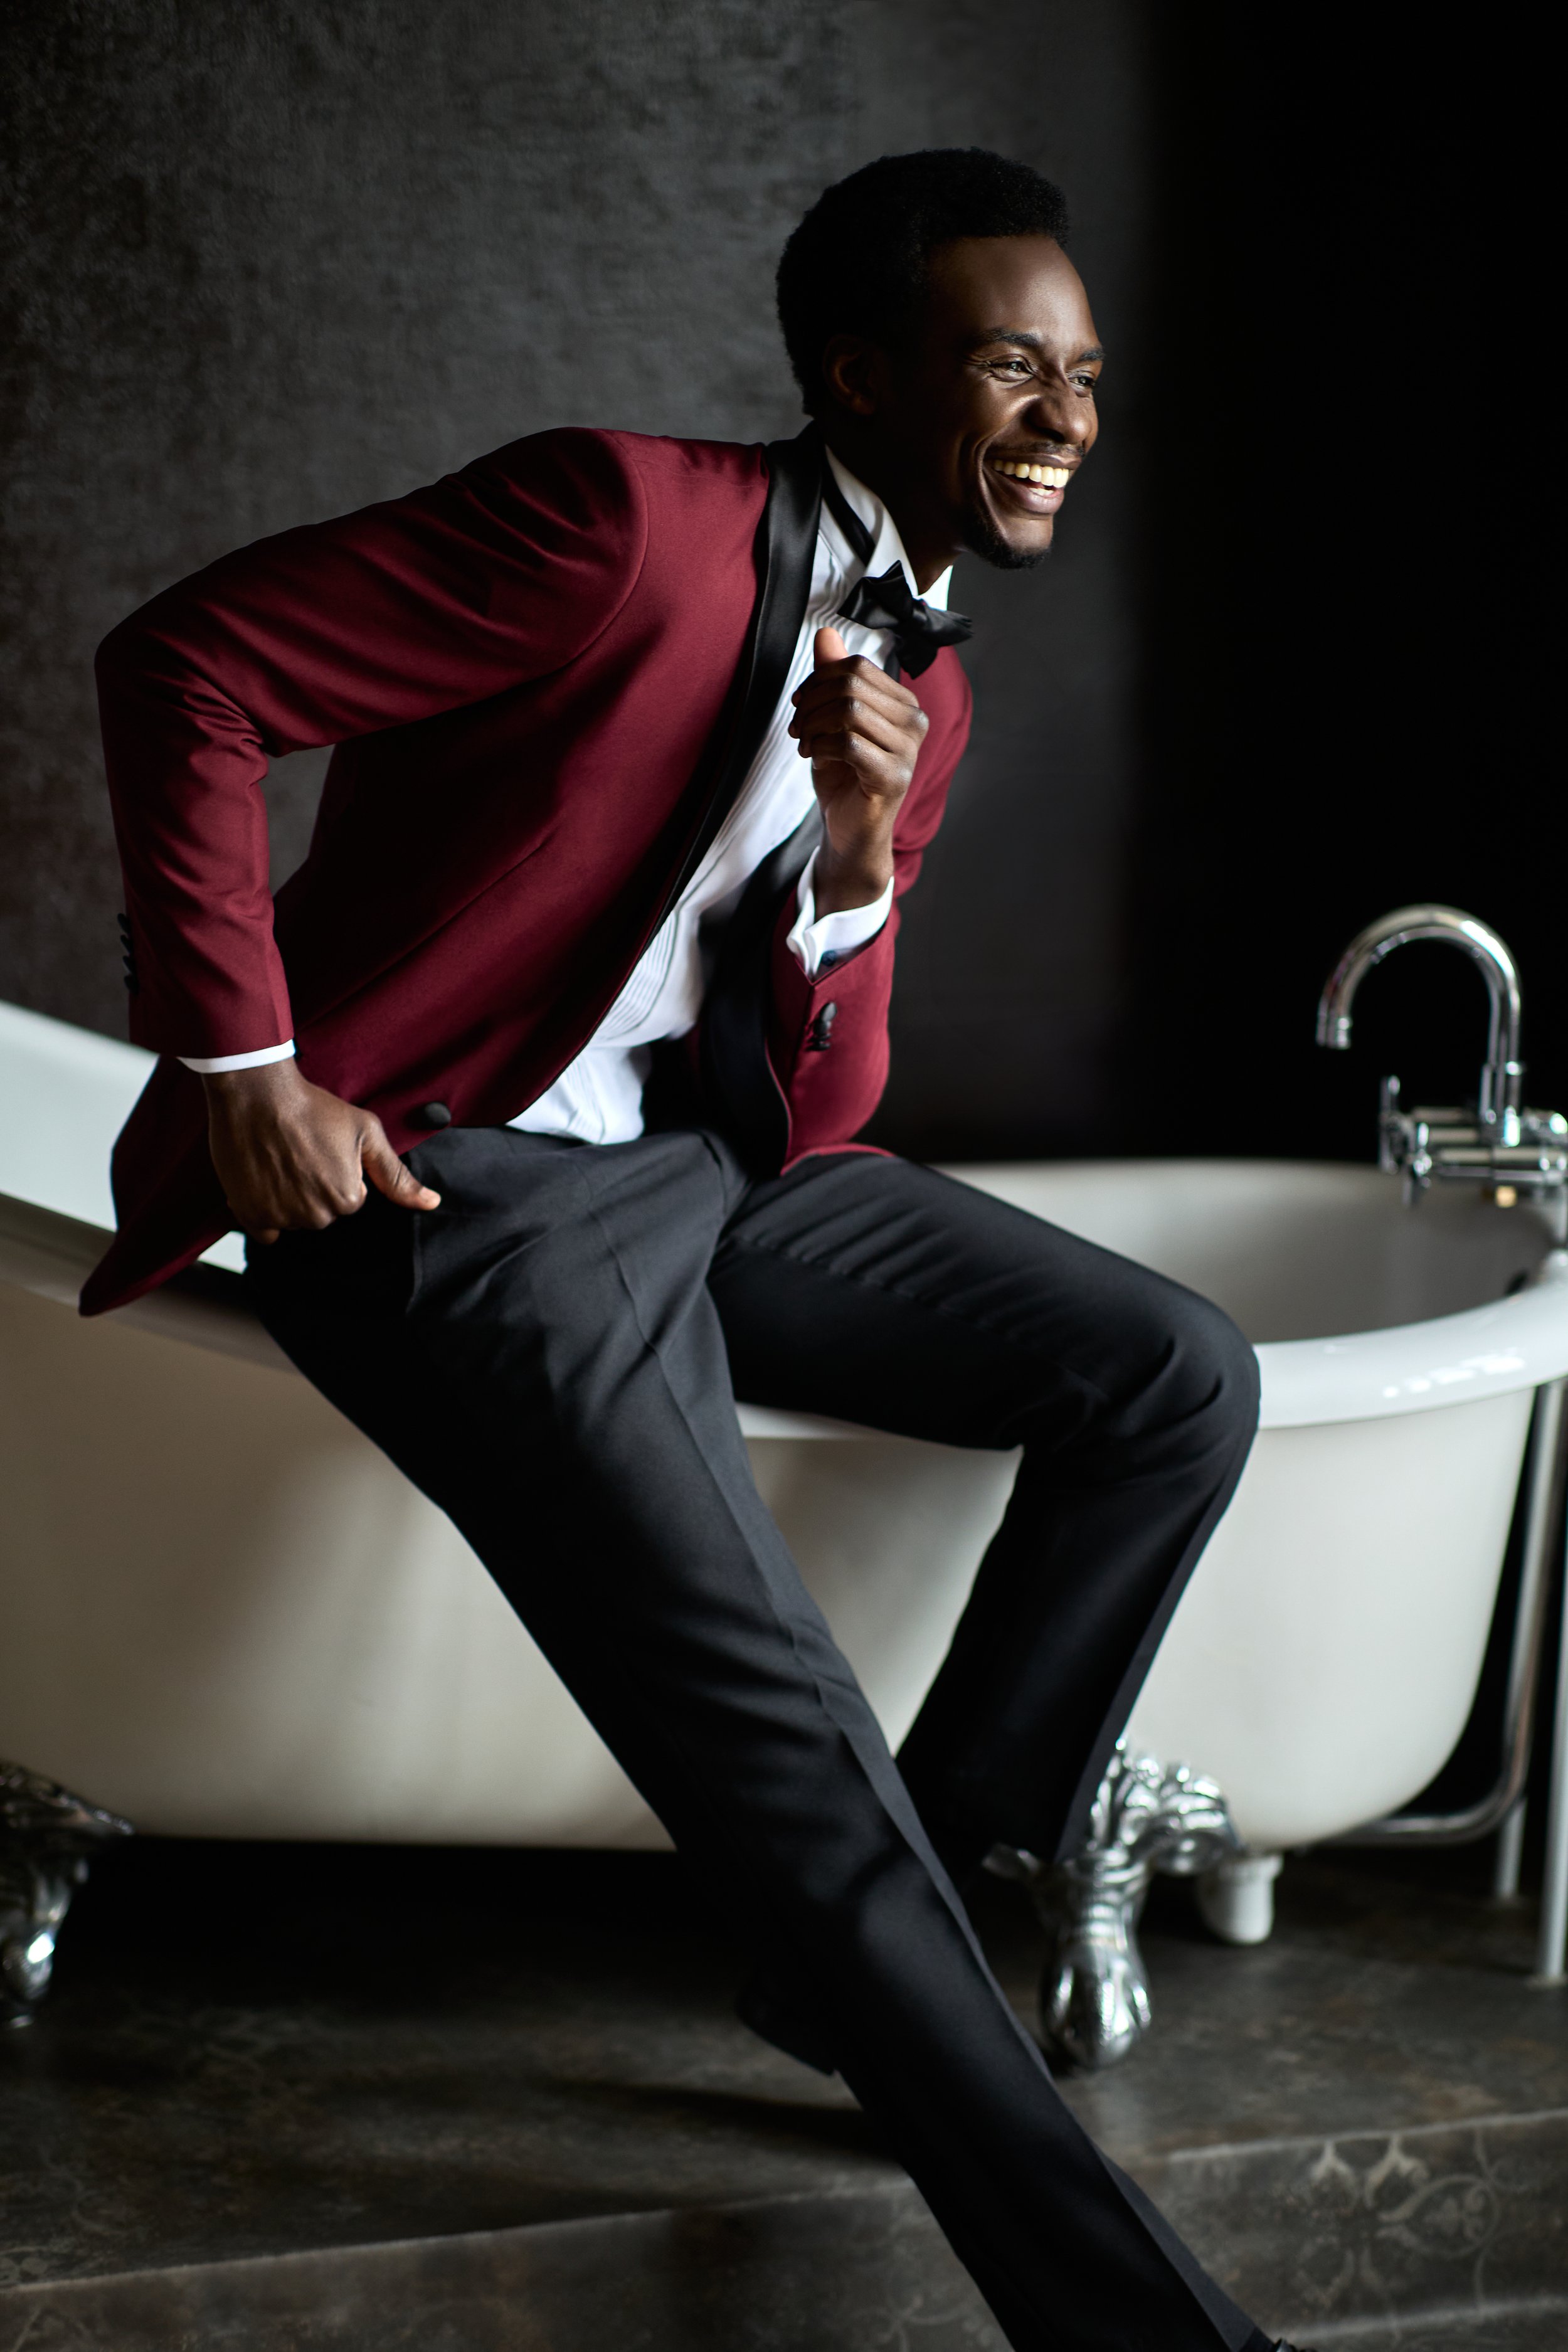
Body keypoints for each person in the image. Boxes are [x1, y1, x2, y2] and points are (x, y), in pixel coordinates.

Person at [84, 149, 1312, 2352]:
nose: (1064, 419)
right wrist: (242, 1067)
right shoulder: (614, 522)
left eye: (1087, 378)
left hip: (711, 1179)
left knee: (1172, 1376)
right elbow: (187, 665)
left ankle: (869, 1943)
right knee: (795, 1765)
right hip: (455, 1198)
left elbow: (820, 1110)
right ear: (855, 376)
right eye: (1008, 366)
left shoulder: (924, 691)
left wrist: (855, 855)